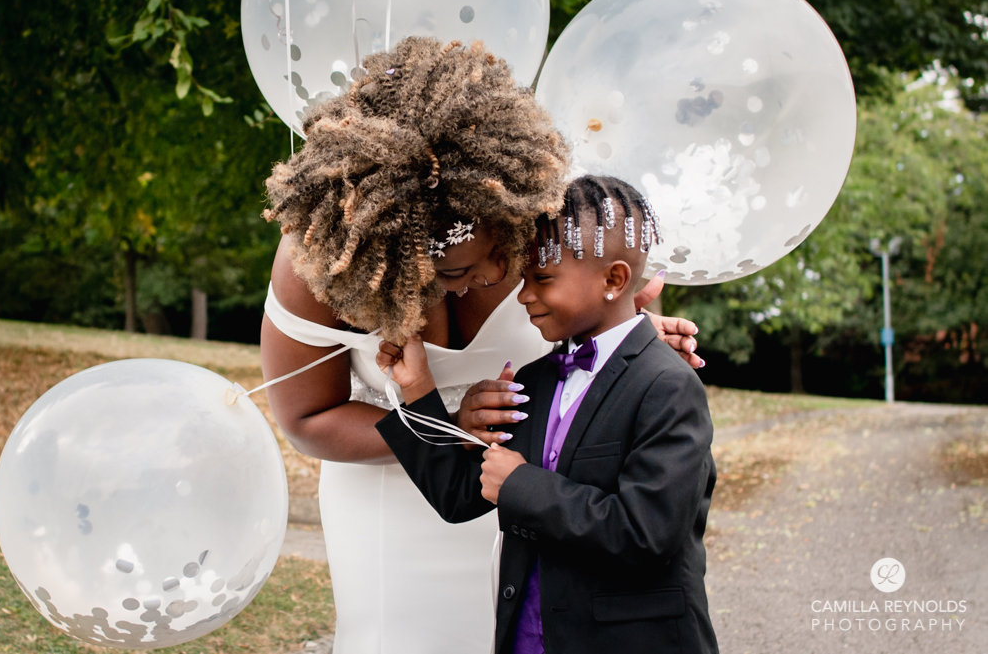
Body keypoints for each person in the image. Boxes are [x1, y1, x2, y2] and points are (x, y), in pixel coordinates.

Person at [260, 38, 703, 654]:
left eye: (512, 249)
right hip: (398, 494)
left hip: (534, 510)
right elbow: (305, 418)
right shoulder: (329, 259)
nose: (499, 277)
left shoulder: (534, 203)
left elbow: (595, 291)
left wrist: (625, 346)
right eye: (456, 272)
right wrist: (442, 424)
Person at [375, 175, 718, 654]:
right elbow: (458, 496)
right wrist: (417, 388)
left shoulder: (667, 387)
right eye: (524, 279)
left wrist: (520, 486)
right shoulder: (533, 381)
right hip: (532, 637)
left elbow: (646, 535)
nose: (523, 295)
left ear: (614, 280)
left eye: (543, 280)